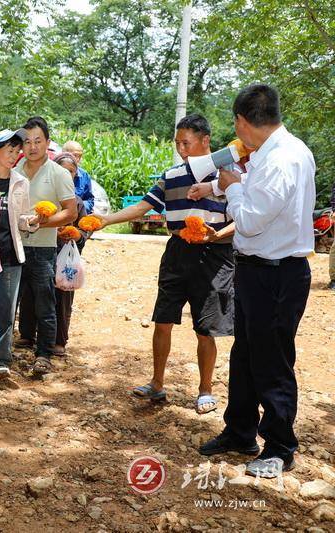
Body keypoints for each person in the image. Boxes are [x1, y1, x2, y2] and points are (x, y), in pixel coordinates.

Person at [198, 84, 316, 479]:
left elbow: (249, 219)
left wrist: (229, 189)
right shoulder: (271, 154)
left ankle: (280, 448)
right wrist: (228, 184)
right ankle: (240, 431)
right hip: (255, 268)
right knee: (245, 354)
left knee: (272, 360)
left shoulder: (283, 159)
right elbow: (255, 195)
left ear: (243, 121)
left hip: (277, 272)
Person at [91, 113, 234, 415]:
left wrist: (217, 234)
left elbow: (244, 217)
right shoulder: (172, 176)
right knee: (163, 319)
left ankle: (205, 389)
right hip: (177, 252)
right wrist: (106, 220)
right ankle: (157, 383)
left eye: (187, 142)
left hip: (214, 255)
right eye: (178, 143)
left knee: (205, 327)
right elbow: (144, 206)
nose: (181, 149)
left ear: (205, 141)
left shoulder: (226, 175)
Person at [14, 117, 77, 376]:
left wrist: (43, 223)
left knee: (44, 302)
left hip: (42, 248)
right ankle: (2, 354)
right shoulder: (14, 170)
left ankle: (44, 355)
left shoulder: (58, 174)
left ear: (48, 143)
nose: (32, 147)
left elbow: (70, 212)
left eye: (38, 141)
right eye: (27, 142)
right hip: (14, 246)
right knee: (11, 303)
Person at [0, 129, 30, 388]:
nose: (13, 156)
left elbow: (22, 218)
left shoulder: (21, 182)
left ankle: (1, 361)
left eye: (16, 151)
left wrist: (30, 221)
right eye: (8, 150)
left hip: (10, 255)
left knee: (6, 311)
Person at [52, 152, 89, 352]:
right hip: (44, 254)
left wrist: (77, 235)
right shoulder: (46, 197)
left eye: (71, 172)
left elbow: (85, 229)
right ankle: (31, 336)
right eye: (63, 171)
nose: (67, 175)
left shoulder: (77, 203)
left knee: (63, 298)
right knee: (38, 296)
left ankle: (59, 340)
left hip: (67, 259)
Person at [62, 140, 95, 214]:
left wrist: (79, 207)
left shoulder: (84, 175)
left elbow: (89, 200)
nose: (77, 159)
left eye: (80, 156)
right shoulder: (53, 172)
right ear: (64, 154)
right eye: (75, 155)